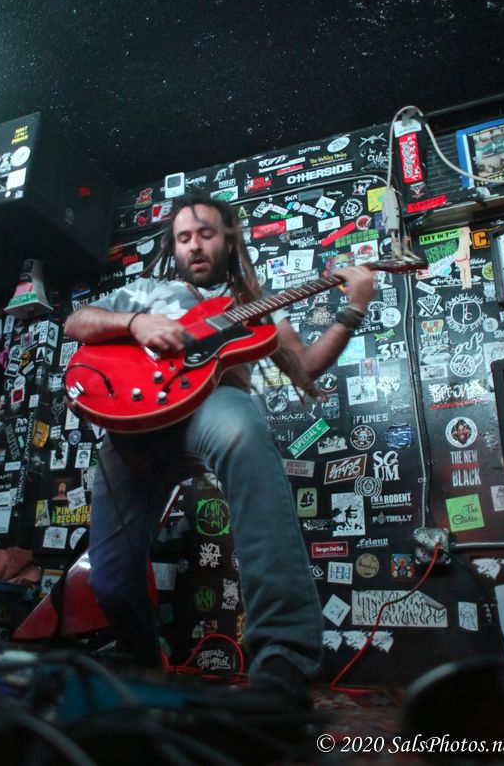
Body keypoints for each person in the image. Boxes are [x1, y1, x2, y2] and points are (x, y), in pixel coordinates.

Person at [64, 192, 375, 708]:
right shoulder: (150, 290)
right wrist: (136, 323)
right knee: (112, 584)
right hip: (132, 431)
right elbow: (77, 322)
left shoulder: (255, 303)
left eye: (205, 233)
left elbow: (305, 367)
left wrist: (355, 305)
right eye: (183, 238)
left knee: (241, 425)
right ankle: (146, 671)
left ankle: (283, 661)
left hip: (207, 410)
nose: (194, 245)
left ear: (229, 239)